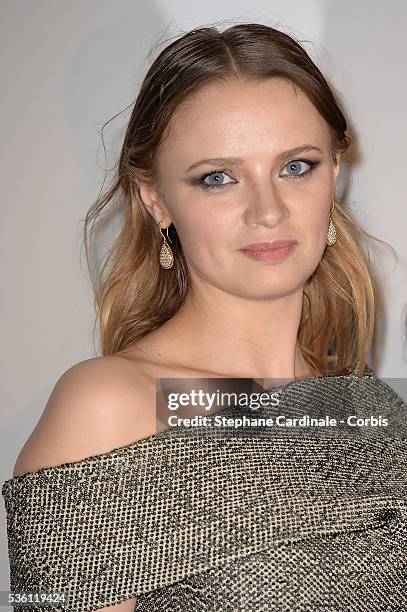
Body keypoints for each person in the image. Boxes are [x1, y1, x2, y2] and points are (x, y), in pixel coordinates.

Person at [2, 22, 406, 612]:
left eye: (297, 166)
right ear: (156, 198)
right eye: (218, 178)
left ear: (335, 173)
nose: (268, 211)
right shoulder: (109, 408)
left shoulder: (371, 410)